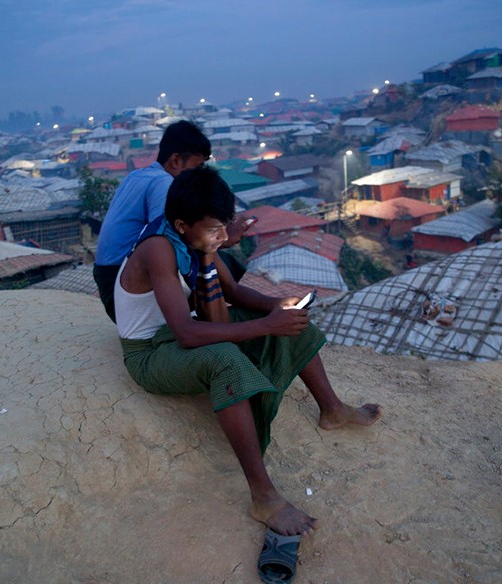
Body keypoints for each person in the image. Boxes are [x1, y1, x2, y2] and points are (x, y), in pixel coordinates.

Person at [115, 166, 380, 536]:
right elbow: (188, 334)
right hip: (149, 351)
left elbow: (235, 293)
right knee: (227, 360)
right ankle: (263, 497)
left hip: (180, 330)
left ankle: (332, 410)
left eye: (225, 227)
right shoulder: (159, 249)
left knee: (295, 324)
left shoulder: (197, 237)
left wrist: (276, 307)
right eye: (215, 231)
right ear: (180, 225)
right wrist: (265, 326)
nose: (223, 238)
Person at [93, 120, 250, 323]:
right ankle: (207, 320)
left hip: (109, 278)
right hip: (121, 284)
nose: (198, 174)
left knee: (222, 261)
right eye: (197, 166)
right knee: (213, 262)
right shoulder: (164, 184)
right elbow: (173, 238)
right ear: (176, 161)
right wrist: (226, 239)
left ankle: (212, 314)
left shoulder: (138, 175)